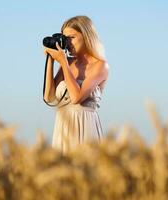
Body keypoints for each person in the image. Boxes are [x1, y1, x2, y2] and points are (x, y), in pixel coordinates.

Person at [43, 15, 109, 155]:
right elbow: (49, 97)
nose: (68, 43)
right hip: (63, 128)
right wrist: (51, 60)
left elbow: (76, 97)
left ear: (86, 36)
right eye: (65, 38)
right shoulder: (67, 63)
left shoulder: (101, 66)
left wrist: (64, 63)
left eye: (71, 37)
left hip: (86, 128)